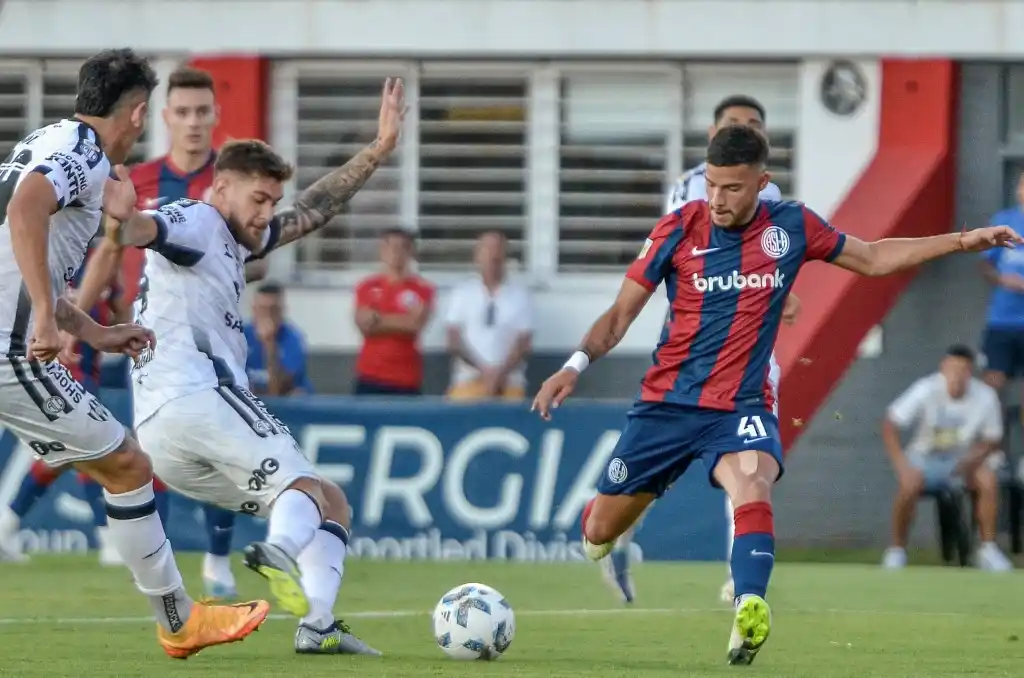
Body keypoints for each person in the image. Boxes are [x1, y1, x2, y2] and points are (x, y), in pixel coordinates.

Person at [531, 124, 1020, 665]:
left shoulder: (792, 226)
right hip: (667, 406)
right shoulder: (678, 228)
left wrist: (961, 240)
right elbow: (621, 315)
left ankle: (749, 607)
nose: (717, 199)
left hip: (740, 405)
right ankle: (624, 523)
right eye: (712, 185)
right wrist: (574, 365)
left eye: (732, 188)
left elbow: (875, 258)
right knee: (598, 532)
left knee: (752, 483)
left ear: (762, 183)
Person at [79, 77, 406, 656]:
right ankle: (276, 553)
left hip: (166, 435)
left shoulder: (233, 239)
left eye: (272, 202)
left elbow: (314, 209)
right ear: (221, 187)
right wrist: (121, 220)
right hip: (197, 396)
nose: (267, 214)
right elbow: (145, 230)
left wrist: (378, 149)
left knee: (329, 501)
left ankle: (318, 626)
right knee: (302, 487)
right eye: (258, 200)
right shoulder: (198, 222)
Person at [0, 48, 268, 659]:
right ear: (140, 113)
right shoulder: (86, 157)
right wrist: (45, 315)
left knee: (120, 463)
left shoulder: (47, 138)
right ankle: (179, 621)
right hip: (8, 351)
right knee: (127, 465)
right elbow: (24, 211)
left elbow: (21, 254)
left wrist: (92, 331)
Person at [603, 94, 796, 606]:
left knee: (748, 466)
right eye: (734, 124)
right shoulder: (691, 190)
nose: (745, 129)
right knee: (650, 472)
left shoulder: (770, 190)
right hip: (690, 350)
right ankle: (617, 540)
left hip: (751, 349)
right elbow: (680, 256)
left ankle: (742, 583)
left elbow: (770, 252)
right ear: (712, 135)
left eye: (755, 123)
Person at [73, 66, 246, 599]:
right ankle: (168, 569)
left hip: (217, 336)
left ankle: (218, 559)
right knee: (153, 450)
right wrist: (77, 322)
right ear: (166, 117)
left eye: (203, 112)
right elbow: (109, 248)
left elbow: (253, 246)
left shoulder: (230, 183)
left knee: (225, 448)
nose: (194, 123)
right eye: (184, 112)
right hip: (148, 337)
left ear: (216, 116)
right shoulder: (136, 178)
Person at [882, 344, 1012, 571]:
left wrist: (972, 459)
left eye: (963, 370)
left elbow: (993, 439)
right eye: (952, 369)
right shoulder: (925, 388)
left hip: (964, 461)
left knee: (987, 479)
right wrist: (901, 464)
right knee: (909, 483)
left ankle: (988, 550)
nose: (957, 376)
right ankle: (896, 550)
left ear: (970, 372)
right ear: (943, 367)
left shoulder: (985, 396)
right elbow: (891, 423)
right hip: (925, 459)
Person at [445, 231, 533, 400]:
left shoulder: (521, 296)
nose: (493, 255)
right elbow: (453, 340)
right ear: (477, 256)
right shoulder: (462, 293)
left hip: (509, 384)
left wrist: (500, 374)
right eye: (487, 249)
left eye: (498, 249)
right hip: (468, 382)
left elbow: (524, 342)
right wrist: (483, 371)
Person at [353, 229, 434, 395]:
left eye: (402, 247)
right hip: (370, 376)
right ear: (382, 251)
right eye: (390, 247)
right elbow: (365, 326)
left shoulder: (423, 289)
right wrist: (403, 320)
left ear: (411, 252)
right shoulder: (366, 287)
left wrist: (378, 319)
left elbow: (414, 326)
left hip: (406, 378)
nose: (396, 253)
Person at [979, 172, 1024, 410]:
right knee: (991, 385)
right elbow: (985, 266)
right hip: (1002, 320)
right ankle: (990, 443)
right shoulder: (1003, 221)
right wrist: (1001, 279)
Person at [245, 282, 313, 396]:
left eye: (273, 309)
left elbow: (279, 389)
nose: (268, 315)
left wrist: (270, 346)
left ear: (282, 310)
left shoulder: (293, 338)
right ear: (254, 309)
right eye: (263, 309)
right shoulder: (241, 335)